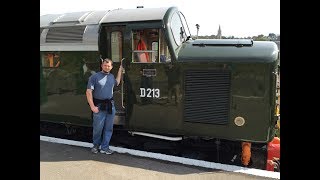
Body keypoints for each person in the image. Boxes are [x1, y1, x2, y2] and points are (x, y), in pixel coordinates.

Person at [86, 58, 123, 154]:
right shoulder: (94, 77)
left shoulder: (111, 76)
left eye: (109, 66)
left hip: (110, 106)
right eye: (105, 65)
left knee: (108, 128)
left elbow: (117, 82)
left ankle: (105, 147)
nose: (107, 67)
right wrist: (92, 107)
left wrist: (120, 70)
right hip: (99, 106)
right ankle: (96, 146)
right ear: (102, 66)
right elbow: (88, 92)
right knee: (98, 128)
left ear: (111, 67)